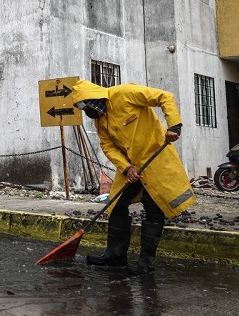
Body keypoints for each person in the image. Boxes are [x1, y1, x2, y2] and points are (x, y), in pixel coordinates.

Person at [71, 80, 195, 276]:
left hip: (155, 162)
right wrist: (127, 167)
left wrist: (174, 126)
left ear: (91, 98)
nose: (83, 109)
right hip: (130, 167)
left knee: (153, 209)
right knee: (116, 205)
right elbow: (108, 147)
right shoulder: (100, 120)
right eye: (80, 107)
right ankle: (115, 257)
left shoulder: (125, 93)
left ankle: (146, 263)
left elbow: (165, 97)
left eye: (82, 104)